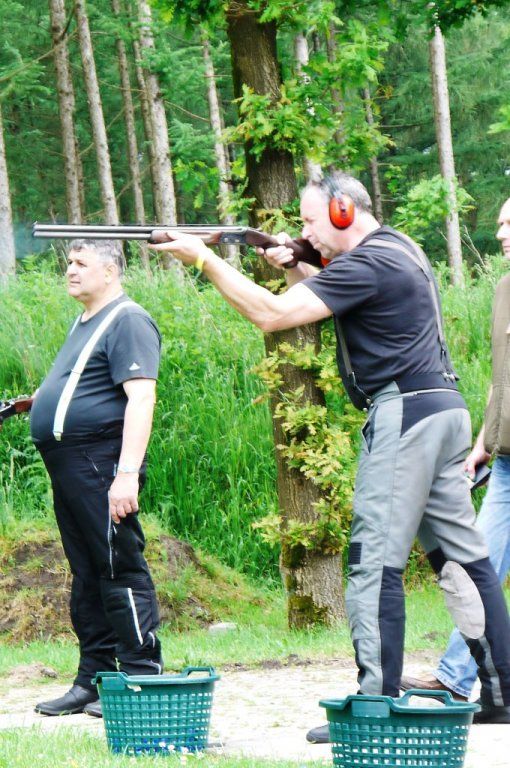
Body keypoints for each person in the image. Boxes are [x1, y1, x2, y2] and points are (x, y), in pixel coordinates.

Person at [149, 172, 510, 740]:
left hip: (404, 415)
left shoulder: (367, 262)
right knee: (462, 561)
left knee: (374, 561)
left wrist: (204, 259)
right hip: (442, 410)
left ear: (344, 212)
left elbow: (272, 315)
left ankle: (375, 706)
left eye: (311, 221)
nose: (305, 231)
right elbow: (333, 296)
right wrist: (294, 262)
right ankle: (501, 694)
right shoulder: (396, 249)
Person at [32, 239, 163, 718]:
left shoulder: (127, 319)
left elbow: (141, 398)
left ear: (110, 271)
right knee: (87, 573)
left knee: (118, 566)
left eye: (81, 263)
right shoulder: (85, 321)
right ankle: (94, 680)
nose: (70, 270)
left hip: (100, 464)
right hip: (69, 466)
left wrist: (125, 475)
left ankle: (141, 677)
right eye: (69, 262)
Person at [401, 197, 510, 724]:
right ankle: (456, 675)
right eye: (500, 223)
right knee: (477, 564)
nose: (501, 232)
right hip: (506, 462)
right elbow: (500, 376)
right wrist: (484, 441)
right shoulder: (504, 290)